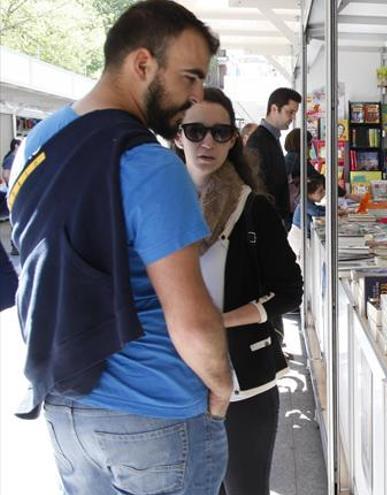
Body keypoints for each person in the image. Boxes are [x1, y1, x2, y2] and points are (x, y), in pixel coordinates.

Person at [7, 2, 232, 493]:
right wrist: (221, 385)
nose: (196, 96)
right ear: (143, 64)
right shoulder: (150, 165)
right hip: (158, 412)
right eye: (190, 78)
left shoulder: (37, 144)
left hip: (66, 406)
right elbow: (190, 318)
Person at [175, 87, 303, 495]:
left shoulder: (252, 209)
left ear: (234, 139)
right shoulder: (156, 208)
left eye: (220, 131)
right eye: (195, 131)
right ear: (177, 136)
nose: (207, 142)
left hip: (243, 381)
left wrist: (220, 321)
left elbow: (290, 291)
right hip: (172, 380)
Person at [247, 87, 302, 228]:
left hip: (275, 217)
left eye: (295, 113)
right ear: (274, 109)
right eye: (290, 112)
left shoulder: (272, 137)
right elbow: (258, 184)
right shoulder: (258, 140)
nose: (293, 118)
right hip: (267, 220)